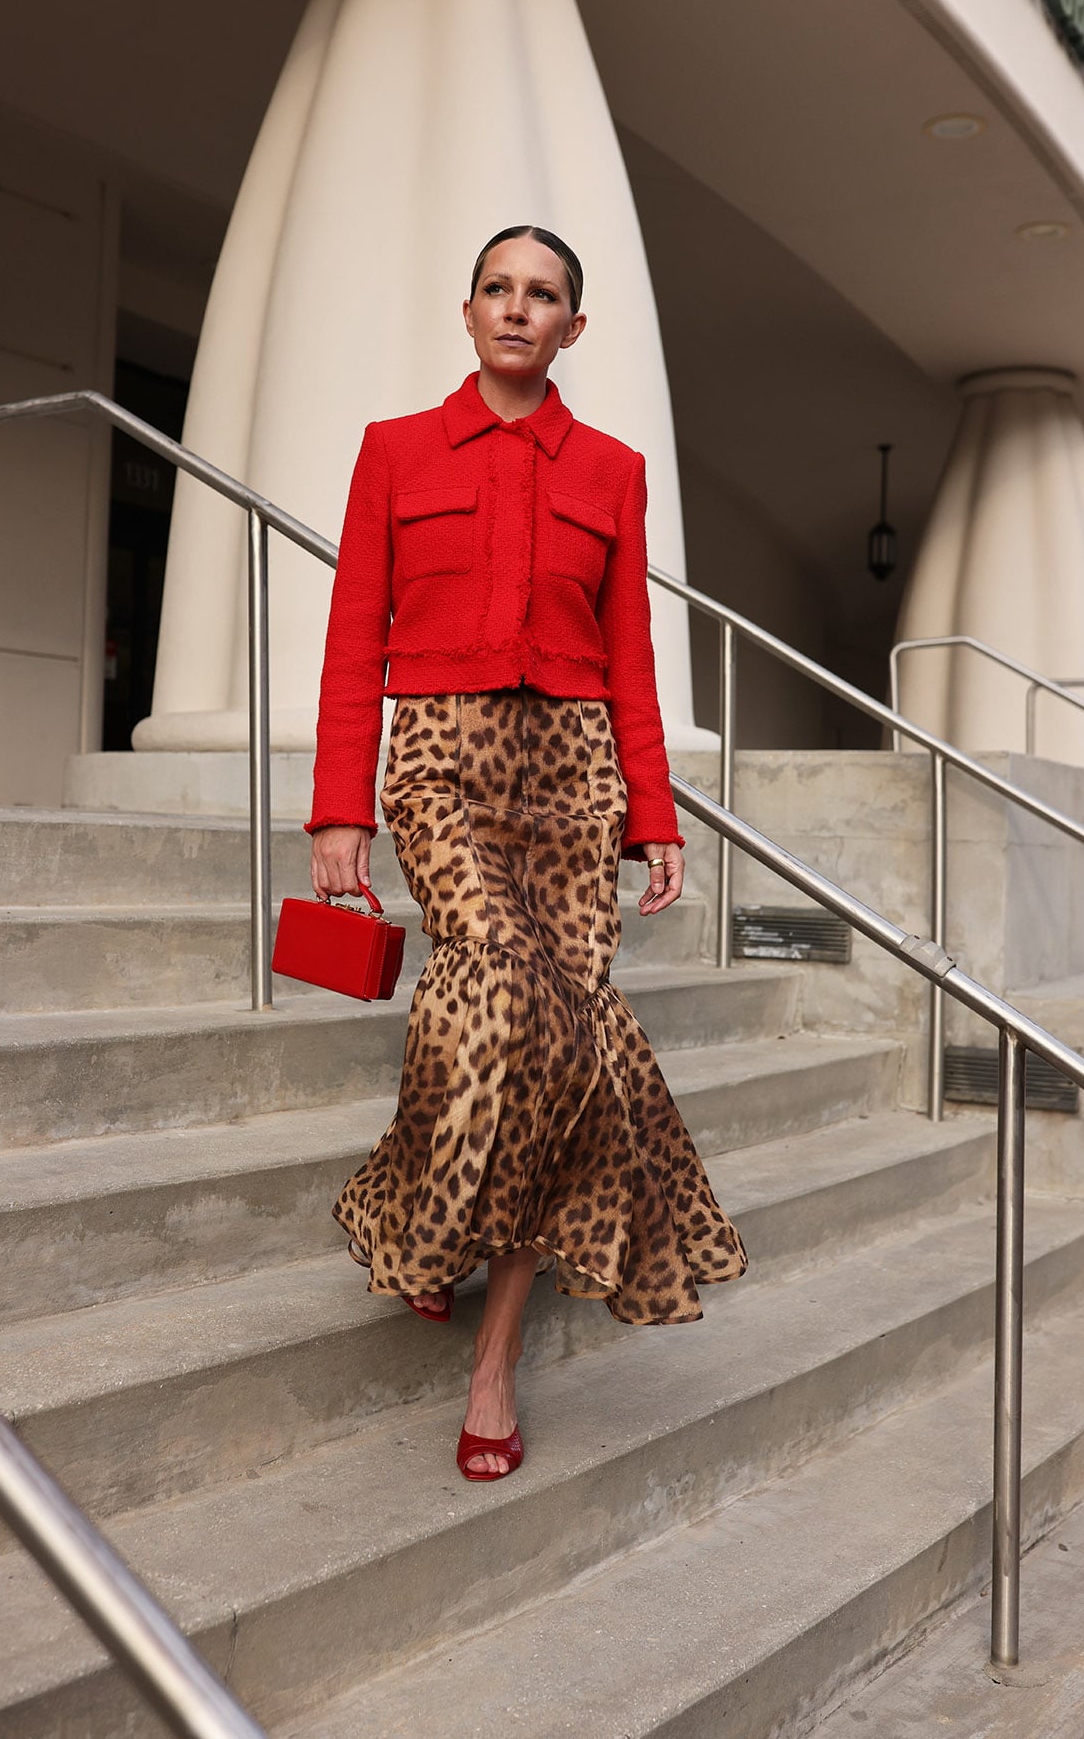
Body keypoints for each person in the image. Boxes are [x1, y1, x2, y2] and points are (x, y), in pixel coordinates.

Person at [303, 224, 747, 1480]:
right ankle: (410, 1202)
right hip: (439, 760)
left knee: (564, 1040)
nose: (515, 308)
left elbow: (630, 660)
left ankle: (491, 1357)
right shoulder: (395, 450)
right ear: (468, 311)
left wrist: (653, 816)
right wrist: (341, 802)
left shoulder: (609, 468)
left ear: (571, 327)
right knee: (492, 999)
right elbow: (351, 636)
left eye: (540, 293)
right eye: (497, 288)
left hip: (571, 779)